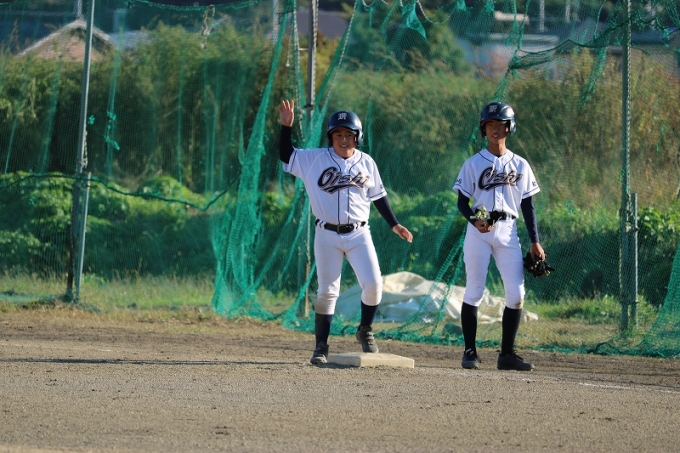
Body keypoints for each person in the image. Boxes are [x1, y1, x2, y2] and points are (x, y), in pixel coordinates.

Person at [278, 100, 413, 365]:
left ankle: (365, 330)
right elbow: (286, 155)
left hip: (359, 234)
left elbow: (379, 196)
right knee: (327, 292)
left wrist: (394, 224)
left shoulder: (367, 162)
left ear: (357, 137)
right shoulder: (314, 159)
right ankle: (321, 346)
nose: (342, 139)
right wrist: (286, 127)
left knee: (374, 284)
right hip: (326, 235)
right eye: (337, 134)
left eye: (348, 134)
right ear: (330, 137)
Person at [452, 101, 546, 371]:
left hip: (508, 231)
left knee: (516, 294)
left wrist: (535, 240)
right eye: (490, 124)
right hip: (479, 231)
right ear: (483, 129)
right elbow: (462, 202)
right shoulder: (473, 163)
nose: (495, 129)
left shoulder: (520, 164)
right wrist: (475, 221)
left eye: (500, 124)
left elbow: (528, 205)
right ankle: (470, 352)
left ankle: (506, 355)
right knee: (475, 290)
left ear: (509, 127)